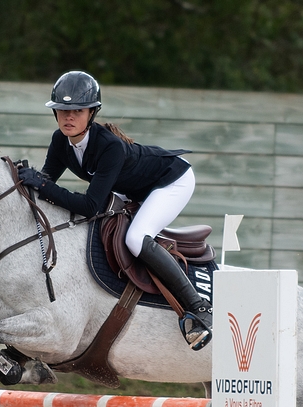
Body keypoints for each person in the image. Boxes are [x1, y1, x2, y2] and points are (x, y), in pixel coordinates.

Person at [17, 70, 212, 350]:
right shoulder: (60, 141)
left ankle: (198, 306)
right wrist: (25, 179)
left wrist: (42, 185)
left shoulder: (109, 147)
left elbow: (89, 206)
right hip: (131, 187)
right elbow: (46, 182)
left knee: (135, 239)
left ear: (92, 113)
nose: (68, 117)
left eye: (77, 110)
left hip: (171, 180)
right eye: (62, 110)